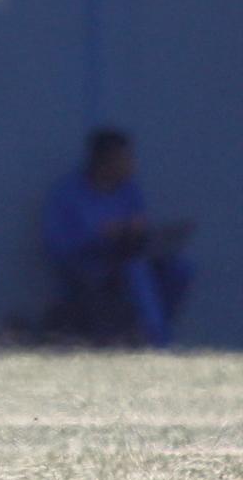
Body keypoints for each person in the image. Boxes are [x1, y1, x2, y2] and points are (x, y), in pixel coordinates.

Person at [42, 128, 193, 347]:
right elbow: (59, 244)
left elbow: (138, 224)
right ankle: (158, 342)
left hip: (127, 254)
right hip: (88, 263)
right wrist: (100, 234)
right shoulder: (67, 193)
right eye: (126, 158)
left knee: (181, 269)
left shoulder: (129, 190)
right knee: (136, 271)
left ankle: (153, 329)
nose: (132, 164)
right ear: (106, 160)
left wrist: (136, 230)